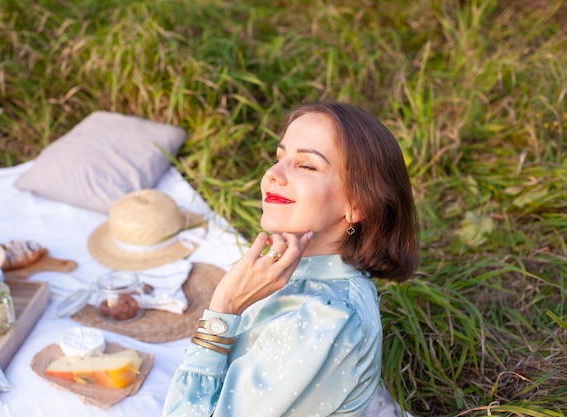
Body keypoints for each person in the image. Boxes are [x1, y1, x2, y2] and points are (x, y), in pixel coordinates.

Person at [162, 101, 419, 417]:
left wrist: (223, 309)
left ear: (356, 205)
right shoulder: (293, 270)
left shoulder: (323, 322)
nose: (272, 174)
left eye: (307, 166)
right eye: (279, 158)